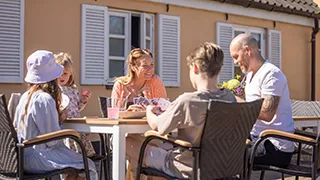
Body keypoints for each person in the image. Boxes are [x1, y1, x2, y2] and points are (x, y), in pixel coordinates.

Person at [127, 42, 236, 179]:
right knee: (160, 146)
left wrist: (149, 110)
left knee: (127, 142)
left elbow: (158, 126)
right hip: (222, 168)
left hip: (187, 168)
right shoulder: (229, 97)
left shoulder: (188, 100)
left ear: (195, 68)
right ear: (219, 70)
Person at [14, 50, 98, 180]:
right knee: (89, 165)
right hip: (38, 157)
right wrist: (61, 122)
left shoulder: (25, 97)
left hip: (20, 157)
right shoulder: (44, 99)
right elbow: (52, 141)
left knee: (74, 167)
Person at [229, 34, 294, 167]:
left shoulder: (271, 74)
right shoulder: (251, 76)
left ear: (247, 50)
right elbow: (250, 111)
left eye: (236, 57)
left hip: (275, 147)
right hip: (257, 139)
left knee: (226, 155)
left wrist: (232, 100)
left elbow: (266, 114)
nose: (235, 62)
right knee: (217, 147)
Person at [55, 52, 96, 157]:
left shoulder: (72, 88)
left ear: (70, 74)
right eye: (59, 73)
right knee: (70, 151)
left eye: (65, 74)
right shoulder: (55, 89)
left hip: (76, 123)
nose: (62, 77)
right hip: (64, 125)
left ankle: (82, 167)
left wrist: (83, 100)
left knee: (83, 153)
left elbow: (77, 108)